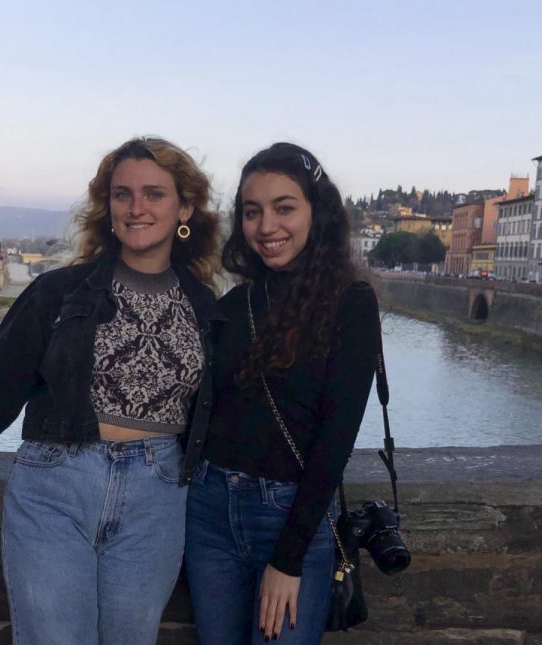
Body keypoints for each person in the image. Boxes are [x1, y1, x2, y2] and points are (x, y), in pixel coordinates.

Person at [0, 136, 223, 645]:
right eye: (123, 194)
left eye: (154, 194)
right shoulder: (59, 293)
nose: (137, 208)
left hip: (156, 497)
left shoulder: (204, 306)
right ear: (108, 206)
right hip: (56, 486)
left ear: (184, 207)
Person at [184, 142, 381, 644]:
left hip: (289, 517)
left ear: (319, 212)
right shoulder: (235, 303)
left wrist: (288, 557)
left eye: (284, 208)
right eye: (253, 212)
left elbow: (335, 441)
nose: (266, 226)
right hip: (208, 512)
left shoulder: (351, 304)